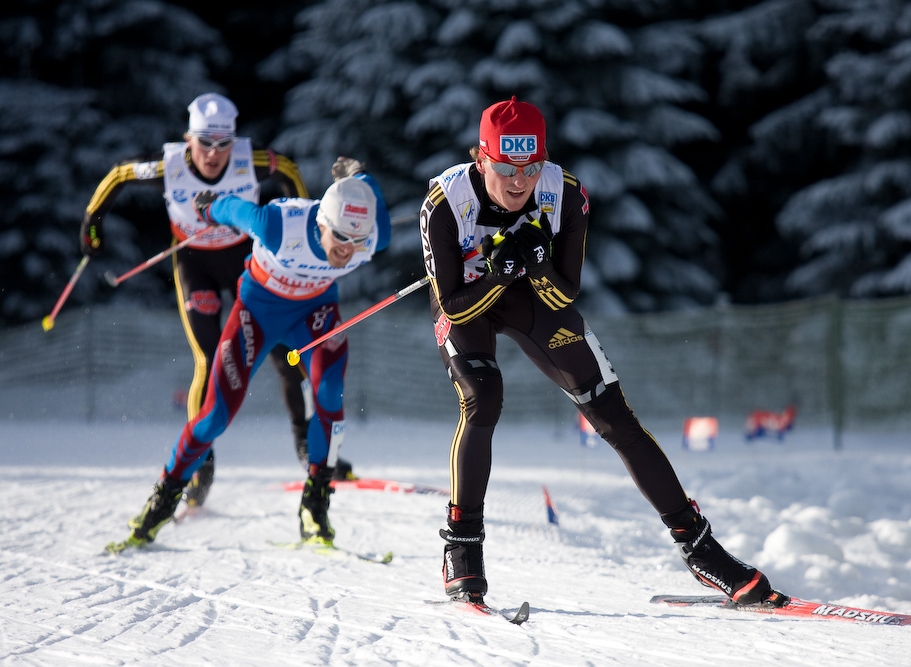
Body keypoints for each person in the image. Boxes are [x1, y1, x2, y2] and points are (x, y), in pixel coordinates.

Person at [419, 97, 786, 608]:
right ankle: (462, 546)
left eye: (530, 167)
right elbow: (453, 308)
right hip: (472, 304)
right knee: (483, 397)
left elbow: (564, 292)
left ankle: (700, 548)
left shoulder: (565, 193)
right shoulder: (445, 200)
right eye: (505, 168)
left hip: (533, 301)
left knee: (612, 412)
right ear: (481, 160)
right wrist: (500, 270)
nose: (519, 181)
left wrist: (537, 262)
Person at [80, 93, 356, 510]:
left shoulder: (253, 161)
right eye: (204, 143)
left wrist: (306, 224)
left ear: (234, 141)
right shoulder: (168, 165)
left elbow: (292, 176)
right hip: (194, 263)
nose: (213, 154)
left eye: (223, 144)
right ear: (188, 138)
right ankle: (200, 465)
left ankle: (305, 443)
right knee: (210, 360)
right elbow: (119, 175)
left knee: (288, 352)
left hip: (246, 259)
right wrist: (91, 224)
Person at [107, 171, 391, 553]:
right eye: (340, 237)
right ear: (322, 222)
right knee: (215, 417)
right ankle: (165, 495)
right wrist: (208, 206)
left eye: (357, 241)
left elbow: (374, 209)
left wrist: (361, 178)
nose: (348, 250)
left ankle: (315, 503)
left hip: (315, 313)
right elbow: (236, 210)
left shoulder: (372, 237)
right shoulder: (278, 226)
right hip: (257, 312)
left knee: (330, 397)